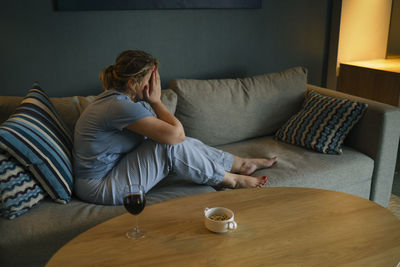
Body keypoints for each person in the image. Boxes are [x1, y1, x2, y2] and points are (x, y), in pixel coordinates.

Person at [73, 50, 278, 205]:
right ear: (133, 82)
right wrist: (156, 101)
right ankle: (232, 180)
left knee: (181, 142)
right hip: (99, 187)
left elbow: (174, 136)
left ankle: (240, 164)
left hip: (112, 173)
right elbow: (174, 137)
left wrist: (151, 102)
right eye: (150, 79)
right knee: (169, 146)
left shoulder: (122, 101)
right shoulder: (118, 106)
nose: (154, 84)